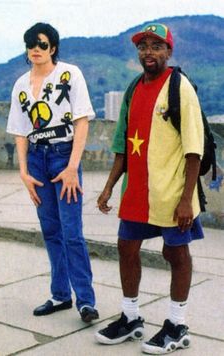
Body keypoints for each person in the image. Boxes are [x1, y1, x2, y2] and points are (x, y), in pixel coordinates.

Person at [95, 23, 204, 354]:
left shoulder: (179, 86)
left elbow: (194, 148)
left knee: (176, 253)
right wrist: (109, 186)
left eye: (157, 46)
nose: (149, 52)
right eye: (143, 46)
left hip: (171, 193)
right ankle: (131, 318)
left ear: (168, 52)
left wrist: (187, 200)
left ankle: (176, 324)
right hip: (137, 190)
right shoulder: (133, 87)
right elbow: (122, 145)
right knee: (126, 247)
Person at [6, 22, 99, 323]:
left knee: (72, 232)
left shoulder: (70, 74)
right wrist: (23, 171)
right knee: (51, 231)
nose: (36, 49)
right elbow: (20, 131)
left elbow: (82, 120)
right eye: (31, 43)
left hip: (63, 157)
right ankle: (60, 294)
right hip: (36, 159)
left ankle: (85, 300)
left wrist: (73, 166)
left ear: (53, 48)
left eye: (42, 44)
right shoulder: (21, 84)